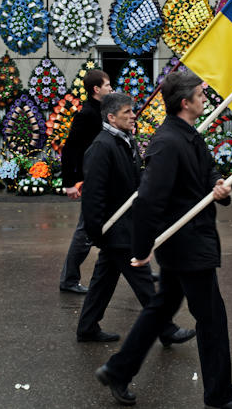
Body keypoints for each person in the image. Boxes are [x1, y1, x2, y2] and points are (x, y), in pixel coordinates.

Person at [95, 71, 232, 409]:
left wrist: (219, 186)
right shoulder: (167, 143)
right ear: (185, 102)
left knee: (161, 308)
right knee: (212, 318)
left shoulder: (187, 135)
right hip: (187, 246)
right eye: (200, 94)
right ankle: (219, 394)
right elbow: (149, 200)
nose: (205, 99)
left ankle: (118, 370)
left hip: (191, 242)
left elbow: (207, 173)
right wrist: (140, 250)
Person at [76, 92, 195, 347]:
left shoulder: (122, 141)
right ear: (111, 117)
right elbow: (93, 195)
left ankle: (87, 327)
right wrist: (96, 231)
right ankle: (166, 329)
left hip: (125, 224)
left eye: (132, 111)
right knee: (143, 280)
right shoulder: (102, 146)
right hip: (116, 230)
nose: (133, 116)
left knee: (103, 281)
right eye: (127, 112)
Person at [58, 69, 112, 293]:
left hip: (107, 178)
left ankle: (140, 268)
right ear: (96, 89)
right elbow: (70, 149)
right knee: (85, 232)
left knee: (122, 226)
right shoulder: (87, 114)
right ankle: (69, 279)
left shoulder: (106, 110)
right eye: (107, 85)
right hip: (93, 180)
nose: (111, 88)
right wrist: (69, 182)